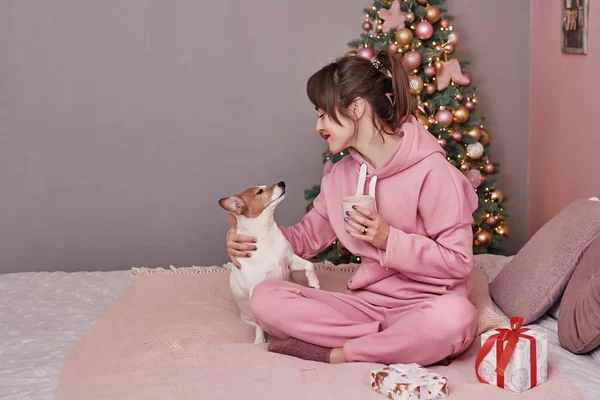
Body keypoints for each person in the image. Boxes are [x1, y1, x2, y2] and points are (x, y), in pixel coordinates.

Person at [225, 51, 479, 366]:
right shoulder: (340, 177)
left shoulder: (434, 173)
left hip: (430, 305)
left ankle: (342, 353)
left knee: (458, 319)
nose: (318, 125)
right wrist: (249, 238)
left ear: (356, 107)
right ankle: (395, 343)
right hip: (365, 308)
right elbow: (303, 239)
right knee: (265, 298)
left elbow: (459, 262)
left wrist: (389, 239)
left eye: (323, 113)